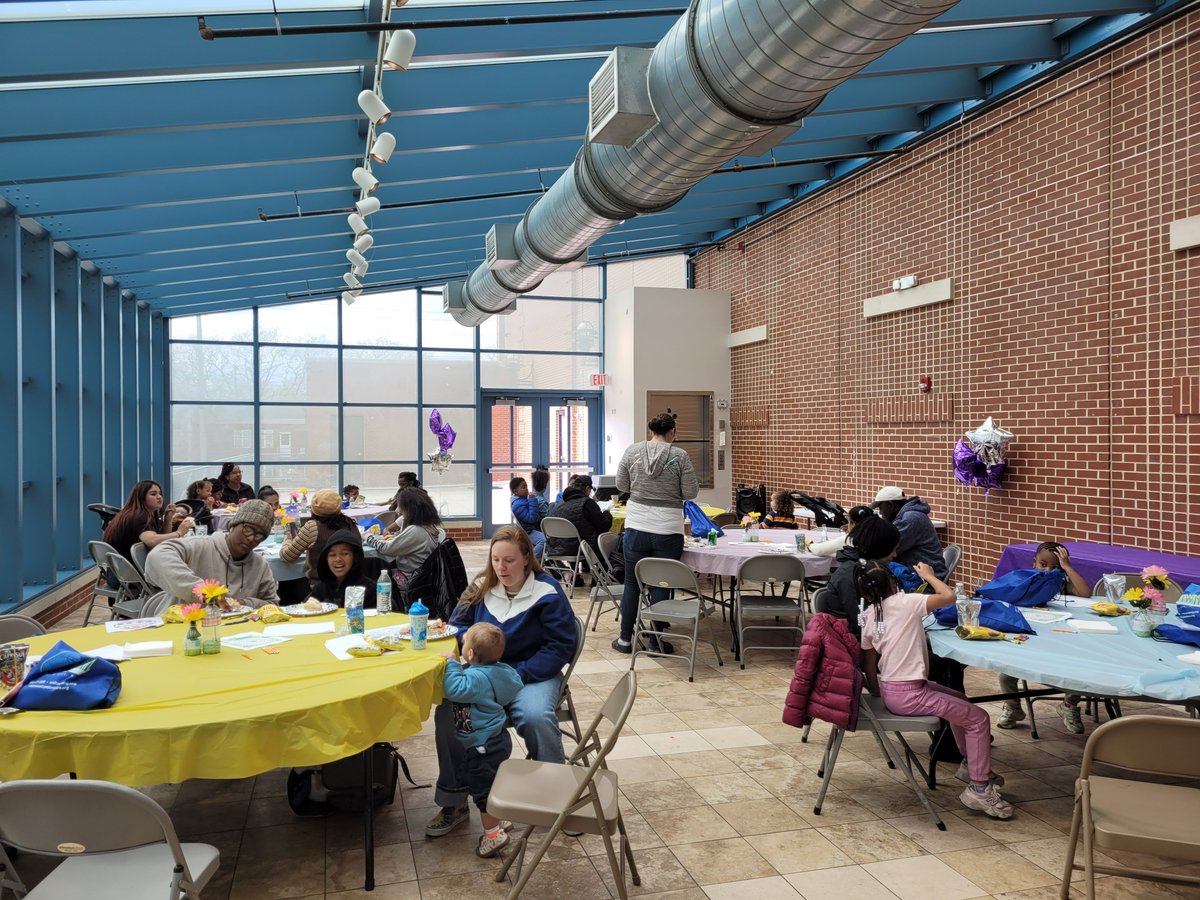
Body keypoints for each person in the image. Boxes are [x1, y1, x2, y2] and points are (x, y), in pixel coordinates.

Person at [426, 526, 575, 839]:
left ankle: (558, 798)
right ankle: (454, 802)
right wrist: (469, 651)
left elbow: (561, 645)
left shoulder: (546, 591)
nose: (501, 567)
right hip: (483, 674)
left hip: (531, 673)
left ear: (526, 559)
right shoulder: (481, 587)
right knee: (448, 715)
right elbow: (457, 625)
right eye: (495, 560)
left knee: (535, 716)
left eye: (509, 560)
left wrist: (519, 674)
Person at [858, 559, 1013, 820]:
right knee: (979, 719)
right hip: (910, 694)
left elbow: (869, 664)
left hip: (894, 689)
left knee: (961, 701)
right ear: (894, 583)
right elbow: (949, 597)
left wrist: (878, 693)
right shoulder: (906, 602)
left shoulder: (870, 614)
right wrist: (928, 575)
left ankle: (969, 765)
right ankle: (979, 788)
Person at [612, 412, 698, 655]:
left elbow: (621, 485)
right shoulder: (679, 456)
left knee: (632, 583)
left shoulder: (632, 451)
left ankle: (625, 640)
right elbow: (690, 492)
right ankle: (655, 641)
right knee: (662, 582)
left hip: (636, 525)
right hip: (667, 529)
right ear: (672, 432)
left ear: (651, 431)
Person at [440, 622, 524, 858]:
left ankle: (493, 835)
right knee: (493, 782)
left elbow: (454, 689)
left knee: (482, 792)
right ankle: (500, 818)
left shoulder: (475, 678)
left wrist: (452, 664)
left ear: (469, 654)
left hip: (481, 746)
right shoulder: (502, 671)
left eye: (464, 642)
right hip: (497, 738)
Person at [997, 541, 1091, 733]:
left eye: (1055, 567)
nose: (1048, 570)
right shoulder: (1026, 583)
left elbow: (1085, 592)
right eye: (1043, 564)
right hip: (1032, 639)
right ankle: (1013, 708)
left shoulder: (1060, 584)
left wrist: (1066, 568)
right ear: (1034, 563)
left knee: (1082, 670)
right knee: (1005, 674)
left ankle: (1069, 706)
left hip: (1061, 641)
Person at [145, 500, 278, 608]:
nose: (251, 538)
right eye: (248, 529)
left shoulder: (260, 566)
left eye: (259, 535)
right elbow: (157, 555)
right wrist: (205, 591)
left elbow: (272, 605)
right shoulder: (199, 546)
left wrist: (243, 603)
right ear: (234, 525)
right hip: (185, 628)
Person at [823, 509, 899, 638]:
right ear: (878, 547)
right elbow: (863, 624)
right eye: (892, 549)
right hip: (852, 643)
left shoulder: (872, 568)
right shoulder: (852, 575)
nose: (895, 555)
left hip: (872, 636)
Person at [364, 487, 445, 580]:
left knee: (372, 572)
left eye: (401, 507)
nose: (399, 511)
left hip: (410, 578)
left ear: (409, 508)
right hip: (424, 575)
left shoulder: (416, 530)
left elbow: (386, 549)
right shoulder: (428, 525)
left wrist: (367, 536)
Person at [103, 480, 193, 562]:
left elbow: (162, 541)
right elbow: (152, 541)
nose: (159, 497)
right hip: (132, 570)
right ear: (141, 497)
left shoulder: (135, 512)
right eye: (153, 494)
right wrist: (179, 533)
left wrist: (168, 519)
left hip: (119, 570)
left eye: (160, 494)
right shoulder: (140, 516)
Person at [279, 489, 357, 582]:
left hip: (321, 584)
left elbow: (287, 556)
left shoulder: (312, 527)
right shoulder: (351, 523)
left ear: (314, 507)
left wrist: (287, 540)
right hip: (352, 582)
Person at [872, 486, 946, 579]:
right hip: (915, 573)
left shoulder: (909, 518)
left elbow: (886, 549)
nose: (880, 513)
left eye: (880, 508)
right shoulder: (908, 515)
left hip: (926, 580)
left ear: (890, 505)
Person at [545, 474, 612, 559]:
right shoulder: (587, 503)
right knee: (607, 537)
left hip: (554, 547)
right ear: (587, 489)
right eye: (591, 490)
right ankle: (608, 569)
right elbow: (604, 526)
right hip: (579, 549)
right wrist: (607, 513)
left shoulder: (560, 503)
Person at [307, 529, 378, 607]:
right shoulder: (320, 588)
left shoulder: (370, 589)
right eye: (332, 555)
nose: (338, 559)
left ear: (355, 557)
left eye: (345, 554)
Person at [509, 477, 545, 558]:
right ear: (515, 491)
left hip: (532, 529)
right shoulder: (517, 505)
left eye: (527, 486)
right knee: (544, 541)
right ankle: (529, 561)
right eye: (523, 487)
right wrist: (532, 500)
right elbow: (532, 518)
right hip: (528, 531)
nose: (527, 489)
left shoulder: (522, 500)